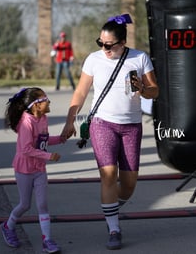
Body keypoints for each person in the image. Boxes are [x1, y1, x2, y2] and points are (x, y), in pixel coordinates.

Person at [61, 14, 159, 250]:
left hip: (131, 126)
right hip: (102, 123)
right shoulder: (94, 60)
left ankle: (110, 207)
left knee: (128, 184)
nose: (104, 48)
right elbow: (81, 93)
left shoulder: (140, 58)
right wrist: (69, 121)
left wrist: (143, 89)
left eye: (109, 44)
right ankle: (114, 228)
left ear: (122, 43)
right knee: (108, 175)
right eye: (100, 43)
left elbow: (155, 91)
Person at [0, 87, 65, 253]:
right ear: (36, 105)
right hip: (24, 169)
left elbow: (42, 141)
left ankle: (47, 240)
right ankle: (8, 226)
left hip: (39, 169)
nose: (49, 101)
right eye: (45, 99)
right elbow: (26, 149)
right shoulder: (26, 123)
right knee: (25, 204)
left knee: (43, 204)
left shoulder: (43, 119)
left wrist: (61, 138)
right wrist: (49, 156)